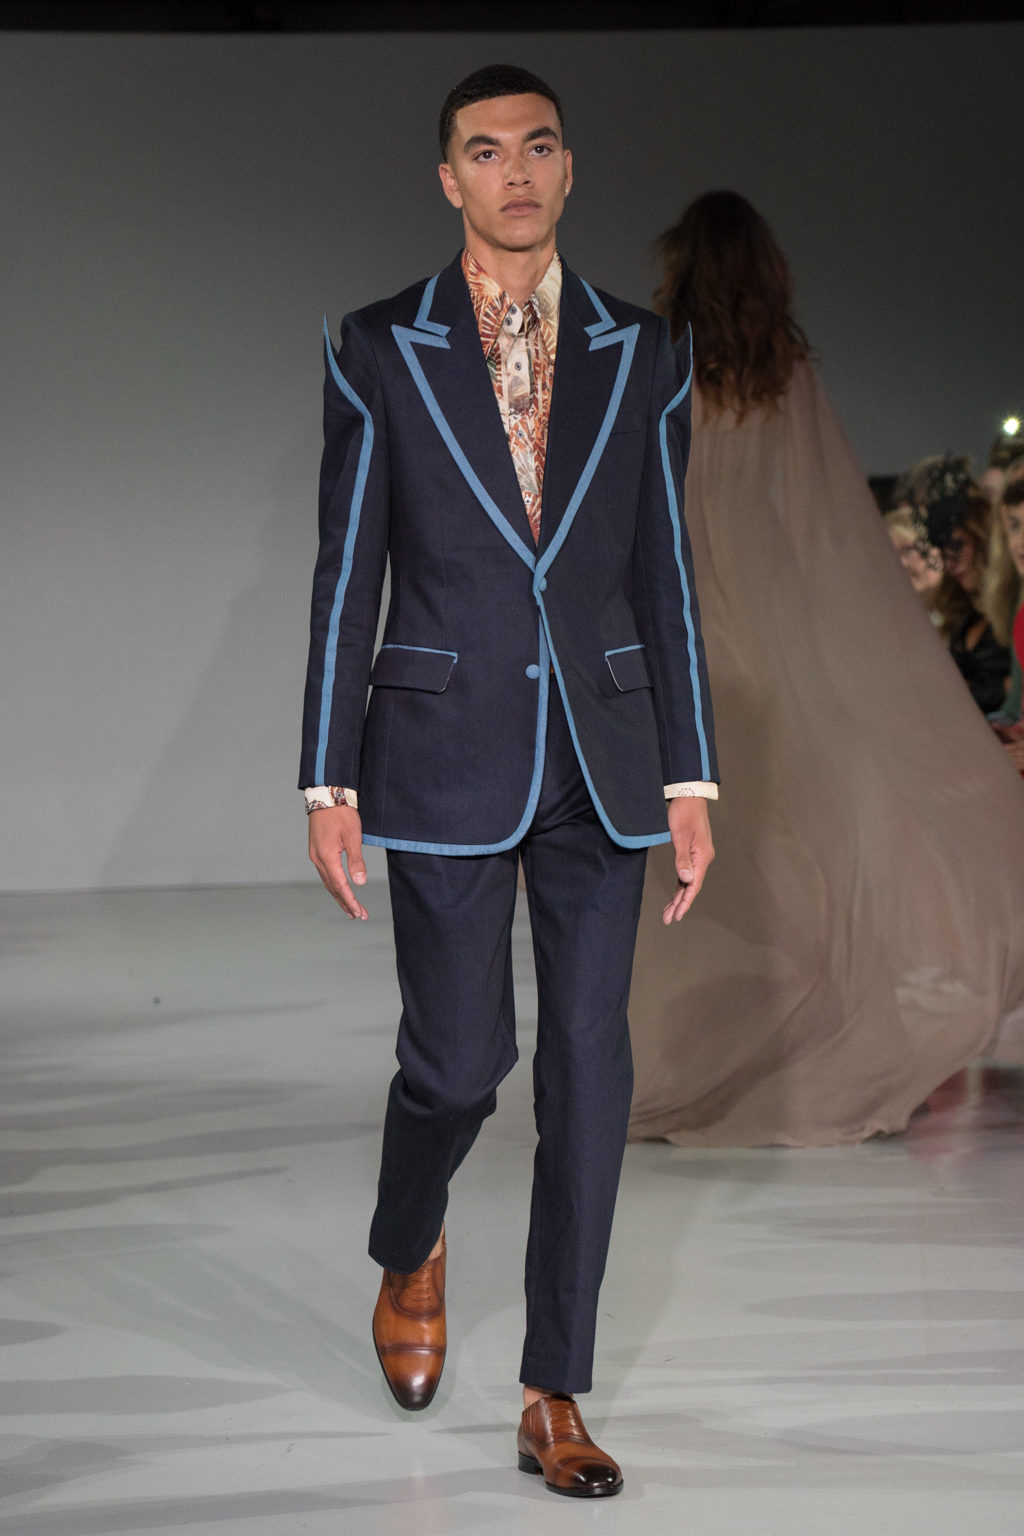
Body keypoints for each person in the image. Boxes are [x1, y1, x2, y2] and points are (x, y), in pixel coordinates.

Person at [299, 65, 717, 1496]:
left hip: (605, 754)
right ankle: (408, 1237)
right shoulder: (378, 346)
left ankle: (555, 1392)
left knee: (592, 1067)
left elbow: (666, 571)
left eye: (537, 146)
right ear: (449, 180)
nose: (515, 172)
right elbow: (347, 570)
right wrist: (326, 779)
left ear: (569, 166)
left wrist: (692, 777)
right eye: (485, 151)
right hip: (441, 750)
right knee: (457, 1065)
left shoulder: (641, 351)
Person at [627, 190, 1024, 1150]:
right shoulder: (783, 373)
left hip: (690, 637)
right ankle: (780, 1048)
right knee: (789, 853)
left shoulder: (653, 362)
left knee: (697, 866)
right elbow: (822, 529)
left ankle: (679, 1065)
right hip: (773, 640)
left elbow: (638, 510)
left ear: (683, 264)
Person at [896, 454, 1010, 714]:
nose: (951, 563)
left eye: (957, 546)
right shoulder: (963, 617)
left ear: (982, 539)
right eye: (943, 551)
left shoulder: (1012, 611)